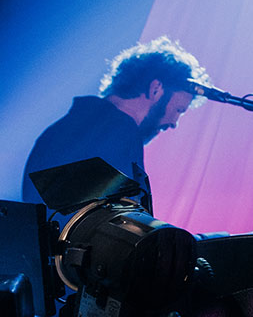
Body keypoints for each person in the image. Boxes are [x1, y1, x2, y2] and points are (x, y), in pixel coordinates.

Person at [22, 36, 208, 212]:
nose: (174, 123)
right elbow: (122, 222)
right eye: (178, 110)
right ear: (156, 89)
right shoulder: (121, 132)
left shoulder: (63, 128)